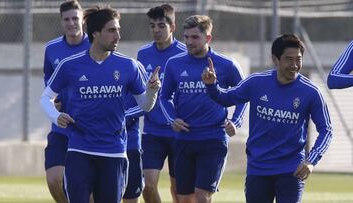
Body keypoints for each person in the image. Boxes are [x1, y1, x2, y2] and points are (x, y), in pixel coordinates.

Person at [40, 5, 161, 203]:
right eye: (112, 30)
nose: (118, 35)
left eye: (119, 30)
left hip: (114, 151)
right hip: (80, 150)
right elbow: (46, 98)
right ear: (95, 33)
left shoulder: (128, 66)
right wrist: (56, 115)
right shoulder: (70, 65)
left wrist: (152, 91)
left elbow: (146, 106)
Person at [202, 33, 333, 203]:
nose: (294, 65)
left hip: (291, 170)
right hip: (258, 168)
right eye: (288, 59)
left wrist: (311, 161)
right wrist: (212, 85)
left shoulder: (311, 92)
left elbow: (326, 130)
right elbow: (226, 98)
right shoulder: (256, 82)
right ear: (275, 59)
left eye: (298, 59)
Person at [160, 15, 246, 203]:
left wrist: (236, 121)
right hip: (184, 139)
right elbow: (164, 96)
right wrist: (172, 119)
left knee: (202, 197)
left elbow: (244, 96)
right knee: (183, 199)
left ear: (208, 38)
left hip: (213, 139)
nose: (189, 42)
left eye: (195, 37)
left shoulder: (227, 65)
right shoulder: (174, 64)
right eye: (186, 37)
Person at [136, 4, 186, 203]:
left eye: (161, 26)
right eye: (152, 25)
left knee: (178, 188)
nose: (156, 30)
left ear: (172, 27)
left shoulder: (185, 53)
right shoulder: (143, 54)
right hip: (152, 131)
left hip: (179, 131)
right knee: (147, 187)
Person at [42, 1, 89, 202]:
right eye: (67, 19)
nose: (71, 23)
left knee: (90, 189)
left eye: (75, 18)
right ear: (61, 21)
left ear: (83, 20)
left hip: (89, 128)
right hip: (61, 126)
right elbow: (48, 80)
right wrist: (56, 101)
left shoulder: (95, 46)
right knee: (54, 180)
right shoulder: (52, 49)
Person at [122, 62, 148, 203]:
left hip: (130, 144)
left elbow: (148, 104)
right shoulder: (83, 66)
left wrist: (121, 117)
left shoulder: (133, 66)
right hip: (98, 147)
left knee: (131, 196)